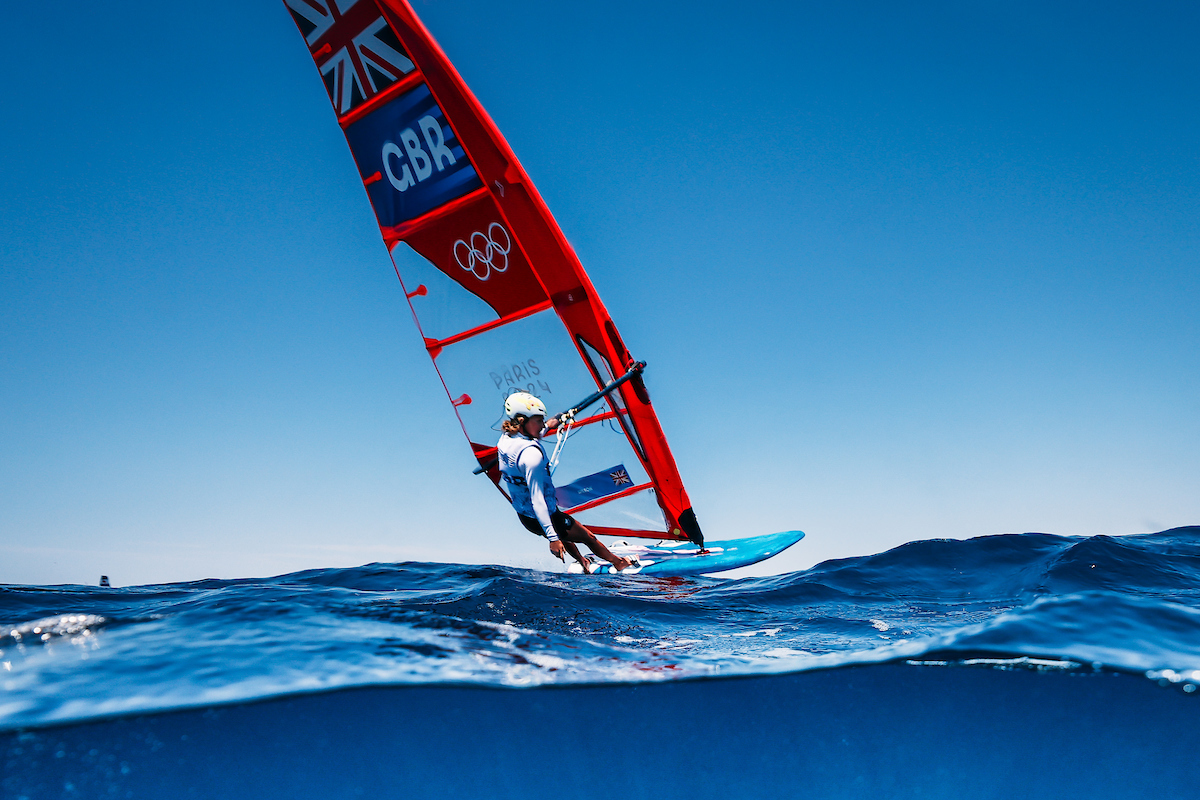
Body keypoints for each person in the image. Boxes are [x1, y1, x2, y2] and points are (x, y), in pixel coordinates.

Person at [497, 392, 634, 573]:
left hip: (525, 515)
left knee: (566, 534)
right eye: (538, 420)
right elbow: (537, 500)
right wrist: (552, 538)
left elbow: (544, 427)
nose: (541, 425)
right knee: (588, 537)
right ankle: (619, 562)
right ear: (522, 421)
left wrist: (560, 418)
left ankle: (582, 562)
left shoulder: (507, 439)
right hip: (541, 513)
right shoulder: (531, 457)